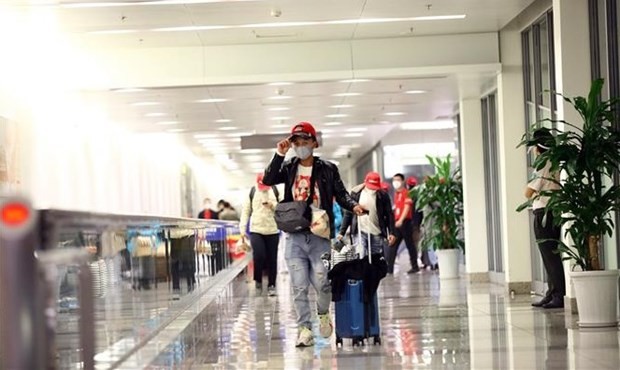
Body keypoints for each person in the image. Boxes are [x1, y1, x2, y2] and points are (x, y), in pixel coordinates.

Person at [262, 121, 366, 348]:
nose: (300, 146)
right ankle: (305, 330)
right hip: (294, 236)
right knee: (298, 287)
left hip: (320, 235)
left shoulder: (328, 168)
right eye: (296, 143)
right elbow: (268, 179)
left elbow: (340, 194)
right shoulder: (289, 167)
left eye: (304, 141)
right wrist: (279, 153)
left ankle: (322, 314)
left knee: (322, 284)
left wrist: (354, 206)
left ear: (314, 143)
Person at [525, 128, 565, 309]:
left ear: (538, 147)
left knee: (550, 255)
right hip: (555, 209)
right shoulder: (555, 160)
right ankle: (551, 293)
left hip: (544, 213)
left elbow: (528, 192)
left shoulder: (543, 162)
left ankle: (557, 295)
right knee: (552, 254)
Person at [239, 174, 281, 296]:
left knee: (272, 258)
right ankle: (258, 280)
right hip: (256, 230)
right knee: (259, 255)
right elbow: (245, 211)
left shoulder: (275, 191)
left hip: (273, 230)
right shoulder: (252, 191)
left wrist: (272, 205)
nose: (263, 189)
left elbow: (283, 209)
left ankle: (271, 284)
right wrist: (242, 230)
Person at [338, 171, 396, 258]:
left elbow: (389, 215)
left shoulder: (383, 196)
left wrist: (391, 232)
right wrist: (342, 232)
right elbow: (348, 213)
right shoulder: (355, 193)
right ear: (365, 182)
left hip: (377, 231)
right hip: (359, 231)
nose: (373, 189)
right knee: (361, 255)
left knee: (376, 259)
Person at [385, 173, 420, 274]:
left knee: (410, 245)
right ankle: (389, 268)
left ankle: (415, 266)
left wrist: (401, 220)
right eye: (394, 180)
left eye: (398, 180)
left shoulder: (406, 193)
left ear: (402, 181)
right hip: (397, 223)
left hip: (405, 222)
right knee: (393, 245)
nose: (395, 182)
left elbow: (407, 207)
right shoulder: (396, 194)